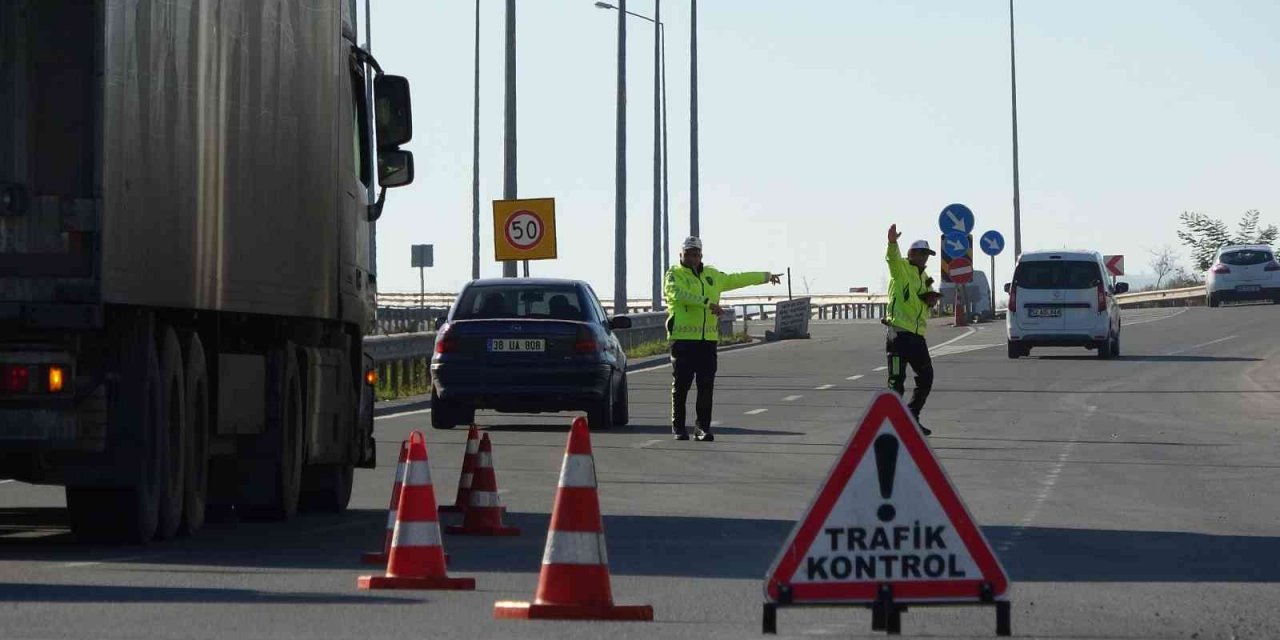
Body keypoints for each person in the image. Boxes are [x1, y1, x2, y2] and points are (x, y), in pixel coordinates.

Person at [664, 236, 781, 441]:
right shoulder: (674, 274)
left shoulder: (712, 275)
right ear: (681, 255)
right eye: (688, 254)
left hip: (707, 339)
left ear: (701, 256)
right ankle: (678, 427)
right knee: (682, 385)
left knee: (706, 385)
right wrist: (707, 303)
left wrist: (765, 276)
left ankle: (702, 428)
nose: (692, 258)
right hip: (682, 338)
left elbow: (737, 278)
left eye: (696, 254)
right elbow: (678, 294)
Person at [884, 224, 942, 435]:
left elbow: (924, 301)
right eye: (922, 254)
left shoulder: (924, 277)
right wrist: (892, 242)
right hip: (898, 334)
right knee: (896, 382)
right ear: (912, 254)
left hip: (917, 336)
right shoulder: (901, 269)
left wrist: (931, 299)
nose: (925, 258)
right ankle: (891, 423)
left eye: (927, 255)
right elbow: (891, 259)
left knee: (926, 377)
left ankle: (911, 416)